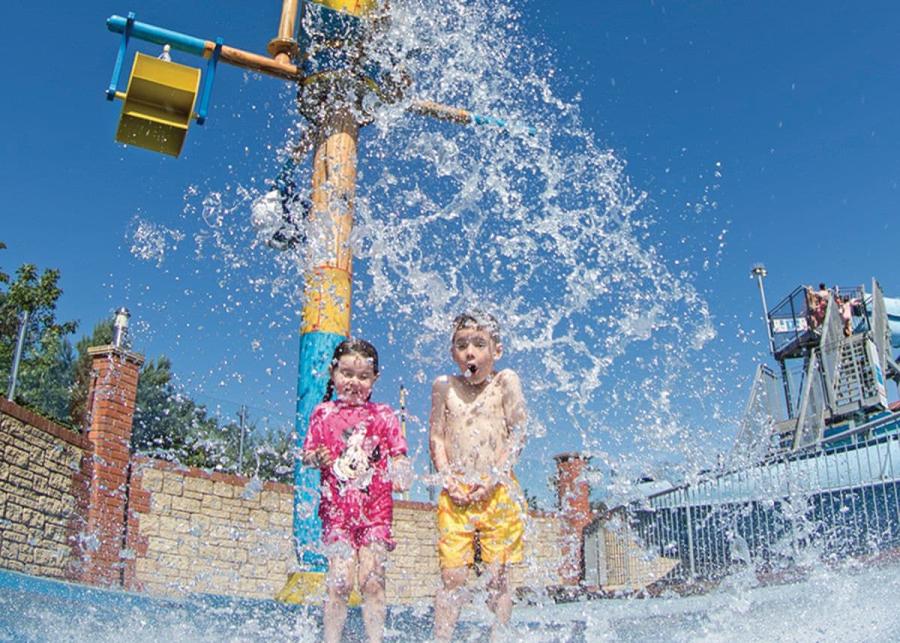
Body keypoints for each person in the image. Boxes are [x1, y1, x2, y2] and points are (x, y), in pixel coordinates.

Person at [301, 338, 411, 643]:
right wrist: (316, 458)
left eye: (363, 376)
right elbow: (306, 456)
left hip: (375, 514)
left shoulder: (384, 415)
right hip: (337, 515)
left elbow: (400, 454)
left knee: (371, 581)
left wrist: (402, 471)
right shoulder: (323, 414)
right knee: (339, 583)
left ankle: (375, 639)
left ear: (374, 379)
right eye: (347, 373)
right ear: (333, 372)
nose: (354, 382)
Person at [429, 311, 528, 642]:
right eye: (461, 345)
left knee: (497, 576)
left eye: (479, 344)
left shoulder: (505, 381)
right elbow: (437, 437)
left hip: (498, 491)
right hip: (456, 494)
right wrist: (446, 478)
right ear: (452, 353)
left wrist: (494, 477)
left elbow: (518, 433)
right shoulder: (444, 386)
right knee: (452, 576)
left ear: (496, 351)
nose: (469, 352)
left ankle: (498, 636)